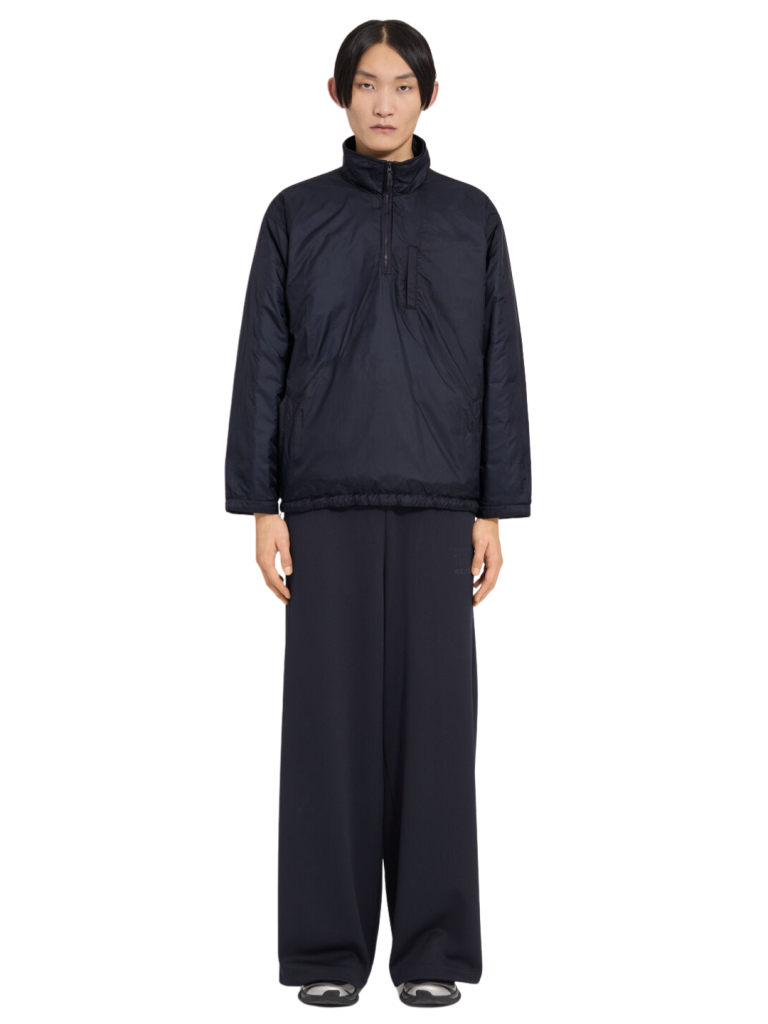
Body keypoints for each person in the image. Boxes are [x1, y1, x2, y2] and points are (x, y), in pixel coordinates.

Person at [224, 19, 532, 1009]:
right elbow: (262, 358)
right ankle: (326, 952)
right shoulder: (295, 214)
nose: (384, 103)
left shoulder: (472, 218)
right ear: (337, 94)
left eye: (402, 85)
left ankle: (434, 949)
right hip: (323, 502)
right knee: (328, 737)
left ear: (429, 97)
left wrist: (494, 507)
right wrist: (259, 504)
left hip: (442, 503)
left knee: (438, 738)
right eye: (367, 84)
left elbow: (499, 365)